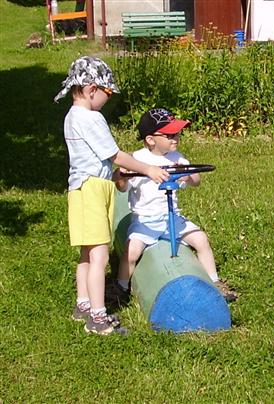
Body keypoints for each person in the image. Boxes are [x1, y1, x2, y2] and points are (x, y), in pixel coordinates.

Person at [55, 56, 170, 335]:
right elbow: (114, 154)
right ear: (92, 89)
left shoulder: (72, 116)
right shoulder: (91, 117)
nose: (108, 98)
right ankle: (98, 318)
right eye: (107, 92)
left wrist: (115, 175)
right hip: (93, 190)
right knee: (100, 256)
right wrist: (147, 168)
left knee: (87, 252)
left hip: (83, 188)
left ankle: (83, 305)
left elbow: (96, 159)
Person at [113, 108, 238, 302]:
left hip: (172, 216)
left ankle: (214, 282)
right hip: (145, 221)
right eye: (169, 135)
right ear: (150, 139)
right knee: (131, 252)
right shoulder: (137, 161)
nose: (176, 138)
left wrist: (188, 175)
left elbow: (196, 181)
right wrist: (122, 177)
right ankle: (120, 288)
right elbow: (121, 187)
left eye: (177, 133)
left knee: (201, 240)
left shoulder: (177, 158)